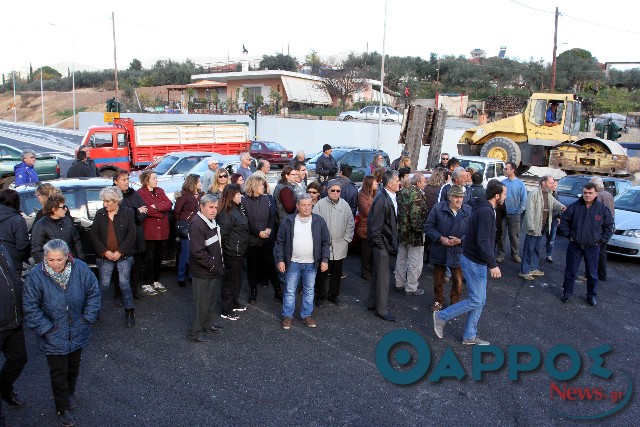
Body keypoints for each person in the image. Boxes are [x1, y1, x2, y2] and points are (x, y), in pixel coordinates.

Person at [23, 239, 101, 427]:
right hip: (53, 335)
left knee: (73, 368)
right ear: (45, 258)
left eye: (59, 259)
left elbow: (94, 293)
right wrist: (48, 329)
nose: (55, 264)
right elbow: (30, 307)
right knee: (59, 372)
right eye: (50, 260)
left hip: (78, 330)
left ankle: (70, 391)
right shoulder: (35, 276)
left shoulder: (81, 269)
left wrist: (86, 319)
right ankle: (62, 407)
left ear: (67, 257)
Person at [433, 180, 506, 346]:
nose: (505, 197)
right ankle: (441, 316)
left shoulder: (483, 207)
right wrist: (493, 264)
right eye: (504, 194)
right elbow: (483, 241)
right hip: (474, 262)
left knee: (480, 300)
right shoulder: (487, 211)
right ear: (497, 195)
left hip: (474, 259)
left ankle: (469, 335)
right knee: (476, 300)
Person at [275, 194, 330, 330]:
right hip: (292, 262)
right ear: (297, 206)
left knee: (309, 290)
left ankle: (306, 315)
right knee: (289, 290)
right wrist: (280, 260)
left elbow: (325, 242)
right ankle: (287, 316)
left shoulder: (319, 221)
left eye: (309, 205)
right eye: (303, 205)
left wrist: (324, 260)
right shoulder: (287, 221)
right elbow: (280, 243)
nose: (306, 207)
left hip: (311, 263)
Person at [558, 182, 614, 306]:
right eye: (585, 193)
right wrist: (569, 236)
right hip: (575, 246)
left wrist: (601, 240)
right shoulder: (575, 206)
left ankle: (591, 295)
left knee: (592, 274)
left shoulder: (601, 209)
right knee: (570, 271)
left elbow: (609, 226)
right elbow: (563, 222)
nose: (587, 195)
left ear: (596, 194)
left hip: (593, 247)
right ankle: (567, 292)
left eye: (590, 193)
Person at [89, 187, 137, 327]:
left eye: (108, 201)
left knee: (124, 283)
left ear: (116, 201)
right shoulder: (100, 214)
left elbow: (131, 234)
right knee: (103, 284)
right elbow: (93, 234)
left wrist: (120, 251)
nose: (105, 204)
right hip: (105, 256)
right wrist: (105, 251)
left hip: (124, 256)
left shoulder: (127, 213)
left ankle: (129, 311)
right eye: (104, 201)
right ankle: (94, 310)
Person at [424, 185, 472, 311]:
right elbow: (428, 227)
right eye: (456, 197)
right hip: (440, 249)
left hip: (458, 251)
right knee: (438, 280)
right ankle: (438, 301)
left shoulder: (468, 211)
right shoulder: (438, 208)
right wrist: (440, 238)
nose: (459, 200)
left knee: (458, 281)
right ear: (449, 197)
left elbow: (472, 232)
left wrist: (460, 240)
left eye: (461, 197)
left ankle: (454, 302)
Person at [187, 195, 225, 343]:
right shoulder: (197, 224)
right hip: (203, 272)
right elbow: (197, 252)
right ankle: (195, 333)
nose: (214, 210)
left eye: (216, 207)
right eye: (210, 207)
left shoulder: (209, 221)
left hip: (211, 271)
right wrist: (214, 265)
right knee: (201, 304)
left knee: (210, 301)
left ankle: (208, 325)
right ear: (201, 207)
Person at [313, 180, 354, 307]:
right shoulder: (320, 204)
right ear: (327, 191)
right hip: (324, 246)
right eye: (333, 190)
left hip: (340, 245)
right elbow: (314, 223)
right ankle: (320, 296)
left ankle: (333, 295)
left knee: (337, 273)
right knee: (322, 273)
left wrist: (347, 239)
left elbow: (350, 223)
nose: (336, 193)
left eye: (338, 191)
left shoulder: (345, 205)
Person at [241, 175, 281, 303]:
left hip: (267, 239)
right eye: (260, 185)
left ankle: (278, 291)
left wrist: (269, 228)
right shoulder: (244, 201)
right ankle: (253, 292)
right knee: (252, 267)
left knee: (270, 266)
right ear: (253, 186)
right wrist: (258, 233)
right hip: (252, 240)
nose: (262, 187)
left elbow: (272, 215)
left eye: (263, 185)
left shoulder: (267, 198)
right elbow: (244, 222)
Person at [367, 170, 400, 321]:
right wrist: (381, 246)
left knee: (378, 276)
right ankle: (381, 309)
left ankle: (373, 302)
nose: (399, 183)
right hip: (382, 246)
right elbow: (375, 227)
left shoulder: (389, 197)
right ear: (389, 183)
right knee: (383, 278)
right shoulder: (382, 199)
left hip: (384, 244)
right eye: (397, 180)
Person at [0, 243, 28, 423]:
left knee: (18, 359)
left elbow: (13, 277)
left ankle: (4, 389)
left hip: (14, 320)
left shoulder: (2, 247)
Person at [519, 176, 565, 280]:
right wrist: (531, 227)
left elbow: (554, 203)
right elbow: (529, 211)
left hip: (542, 227)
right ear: (543, 183)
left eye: (553, 183)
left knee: (536, 249)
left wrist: (562, 206)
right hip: (534, 227)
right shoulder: (534, 194)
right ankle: (524, 271)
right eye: (550, 183)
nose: (552, 185)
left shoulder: (548, 194)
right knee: (528, 250)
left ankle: (533, 268)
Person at [113, 170, 149, 298]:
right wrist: (136, 211)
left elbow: (145, 210)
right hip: (122, 237)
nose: (127, 182)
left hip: (137, 234)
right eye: (123, 179)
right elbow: (119, 214)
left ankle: (136, 290)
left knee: (137, 266)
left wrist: (137, 217)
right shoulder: (113, 196)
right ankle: (119, 295)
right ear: (115, 181)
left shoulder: (134, 194)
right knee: (121, 268)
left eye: (127, 179)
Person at [216, 184, 249, 321]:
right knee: (229, 281)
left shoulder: (237, 209)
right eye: (237, 194)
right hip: (231, 252)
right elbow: (222, 234)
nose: (240, 196)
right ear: (231, 196)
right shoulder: (226, 213)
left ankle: (234, 302)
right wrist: (224, 252)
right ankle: (226, 308)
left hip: (239, 251)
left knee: (237, 279)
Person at [137, 170, 172, 295]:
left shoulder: (160, 191)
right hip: (149, 231)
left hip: (162, 230)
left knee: (158, 258)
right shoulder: (141, 193)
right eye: (154, 178)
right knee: (148, 259)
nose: (156, 180)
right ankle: (146, 282)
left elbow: (169, 204)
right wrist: (160, 208)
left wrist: (157, 206)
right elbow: (147, 210)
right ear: (147, 180)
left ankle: (156, 280)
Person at [395, 173, 428, 296]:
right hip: (414, 234)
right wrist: (421, 230)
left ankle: (399, 283)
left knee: (401, 258)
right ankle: (411, 287)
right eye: (424, 181)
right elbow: (416, 218)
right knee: (415, 261)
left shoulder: (403, 192)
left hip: (402, 231)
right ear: (418, 183)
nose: (426, 183)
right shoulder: (418, 195)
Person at [30, 194, 84, 264]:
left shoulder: (67, 220)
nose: (66, 209)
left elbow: (76, 241)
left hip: (70, 262)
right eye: (63, 207)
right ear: (54, 209)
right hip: (53, 267)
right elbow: (36, 251)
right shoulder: (40, 225)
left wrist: (81, 261)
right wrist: (51, 265)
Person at [173, 174, 203, 288]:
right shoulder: (184, 195)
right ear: (193, 182)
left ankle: (191, 274)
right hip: (187, 226)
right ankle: (181, 277)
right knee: (185, 252)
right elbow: (177, 211)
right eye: (199, 181)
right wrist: (181, 222)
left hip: (197, 226)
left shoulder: (199, 195)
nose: (201, 183)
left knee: (194, 252)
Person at [497, 162, 527, 263]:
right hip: (503, 214)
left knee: (514, 236)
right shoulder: (502, 183)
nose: (505, 170)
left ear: (513, 170)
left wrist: (519, 211)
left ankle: (515, 254)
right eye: (505, 169)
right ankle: (501, 254)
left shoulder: (520, 184)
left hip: (514, 215)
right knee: (501, 235)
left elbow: (524, 199)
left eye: (507, 169)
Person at [590, 176, 615, 281]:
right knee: (602, 252)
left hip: (599, 228)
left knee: (593, 253)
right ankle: (602, 275)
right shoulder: (609, 195)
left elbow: (594, 212)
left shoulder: (598, 196)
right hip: (607, 226)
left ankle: (590, 274)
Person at [0, 190, 30, 276]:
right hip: (12, 260)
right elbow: (23, 245)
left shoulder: (17, 219)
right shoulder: (17, 220)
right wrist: (22, 258)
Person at [356, 176, 378, 281]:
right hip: (365, 228)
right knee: (366, 253)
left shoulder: (375, 194)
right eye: (375, 182)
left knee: (373, 252)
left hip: (374, 227)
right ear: (370, 184)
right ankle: (365, 273)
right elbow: (367, 211)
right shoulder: (362, 196)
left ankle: (372, 271)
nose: (377, 183)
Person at [545, 178, 561, 263]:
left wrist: (559, 217)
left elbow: (558, 207)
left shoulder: (556, 194)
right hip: (546, 219)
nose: (555, 187)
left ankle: (549, 254)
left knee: (551, 238)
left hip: (553, 219)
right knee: (545, 236)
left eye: (556, 185)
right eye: (553, 185)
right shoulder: (546, 194)